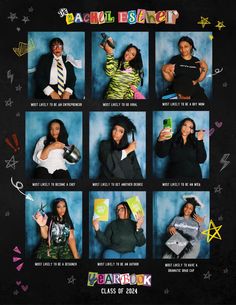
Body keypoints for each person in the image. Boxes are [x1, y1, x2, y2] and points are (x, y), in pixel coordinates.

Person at [161, 36, 208, 100]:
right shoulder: (175, 59)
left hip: (194, 89)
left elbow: (199, 79)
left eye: (186, 46)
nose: (183, 49)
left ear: (191, 46)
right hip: (177, 89)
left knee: (205, 104)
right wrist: (164, 71)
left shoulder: (196, 60)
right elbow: (171, 79)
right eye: (181, 47)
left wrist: (205, 69)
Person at [99, 114, 143, 179]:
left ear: (124, 134)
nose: (116, 133)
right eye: (115, 129)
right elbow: (109, 161)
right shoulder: (104, 144)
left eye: (121, 131)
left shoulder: (129, 148)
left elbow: (136, 170)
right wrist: (127, 150)